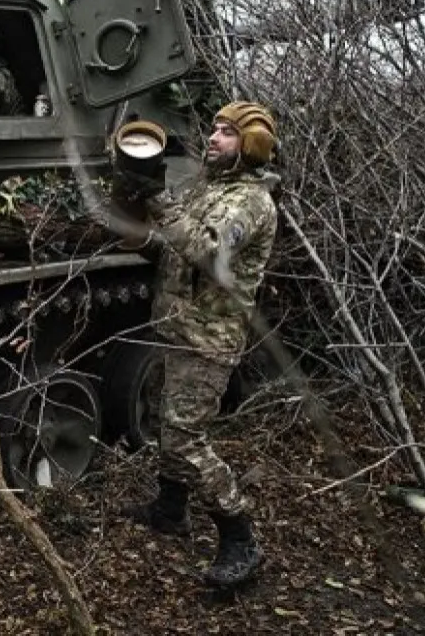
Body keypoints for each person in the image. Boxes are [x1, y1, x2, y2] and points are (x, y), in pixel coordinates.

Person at [116, 101, 280, 588]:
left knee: (186, 439)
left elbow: (208, 253)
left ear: (251, 145)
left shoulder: (251, 202)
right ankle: (170, 510)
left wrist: (160, 201)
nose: (213, 137)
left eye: (227, 132)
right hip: (178, 327)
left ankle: (240, 538)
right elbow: (174, 247)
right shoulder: (210, 189)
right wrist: (138, 210)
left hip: (208, 339)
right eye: (214, 128)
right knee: (165, 417)